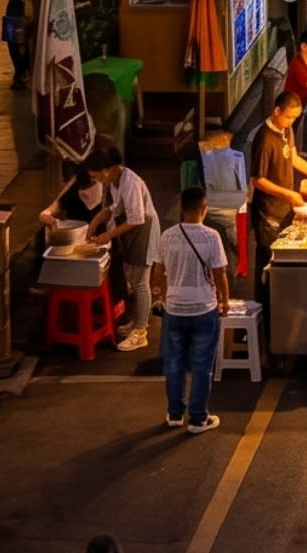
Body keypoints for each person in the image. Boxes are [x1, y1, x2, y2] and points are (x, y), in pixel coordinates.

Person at [151, 182, 229, 430]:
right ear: (203, 208)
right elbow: (220, 274)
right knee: (201, 366)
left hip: (174, 309)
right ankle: (198, 418)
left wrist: (165, 297)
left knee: (173, 364)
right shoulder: (211, 237)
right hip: (204, 308)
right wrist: (224, 301)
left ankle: (174, 415)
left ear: (181, 209)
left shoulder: (167, 236)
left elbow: (158, 274)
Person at [249, 93, 307, 326]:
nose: (291, 122)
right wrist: (288, 194)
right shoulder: (264, 139)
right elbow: (258, 180)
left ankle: (284, 312)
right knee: (269, 265)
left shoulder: (286, 130)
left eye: (295, 118)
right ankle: (264, 316)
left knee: (285, 267)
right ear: (276, 111)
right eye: (289, 117)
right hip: (268, 214)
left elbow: (292, 157)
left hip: (285, 210)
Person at [94, 143, 160, 354]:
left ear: (107, 170)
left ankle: (141, 332)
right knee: (133, 279)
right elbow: (114, 208)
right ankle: (137, 322)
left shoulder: (130, 181)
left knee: (140, 283)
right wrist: (94, 224)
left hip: (143, 231)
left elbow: (137, 218)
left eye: (96, 175)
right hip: (132, 233)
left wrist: (106, 235)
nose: (96, 179)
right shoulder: (115, 181)